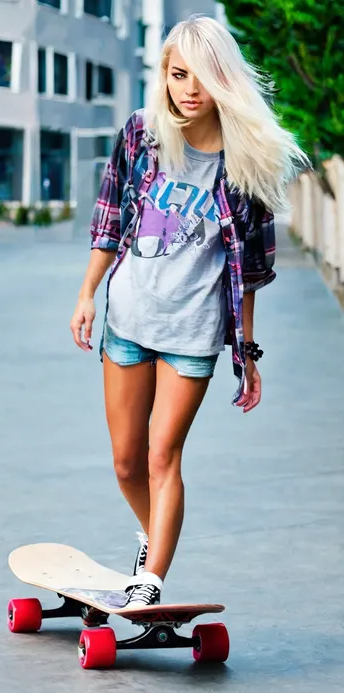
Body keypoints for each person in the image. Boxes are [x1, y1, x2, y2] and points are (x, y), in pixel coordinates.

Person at [70, 15, 308, 608]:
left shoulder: (246, 160)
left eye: (202, 76)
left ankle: (151, 579)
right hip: (126, 321)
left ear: (223, 79)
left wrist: (247, 353)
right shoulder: (140, 134)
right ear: (165, 76)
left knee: (161, 455)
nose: (189, 89)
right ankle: (155, 538)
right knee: (126, 463)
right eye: (179, 75)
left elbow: (251, 272)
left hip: (192, 335)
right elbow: (109, 220)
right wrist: (86, 295)